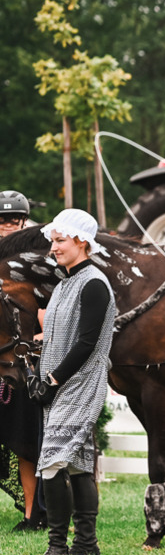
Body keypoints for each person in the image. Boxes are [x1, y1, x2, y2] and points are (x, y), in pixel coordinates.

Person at [32, 209, 116, 555]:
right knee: (78, 463)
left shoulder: (94, 283)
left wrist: (52, 379)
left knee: (52, 461)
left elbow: (86, 343)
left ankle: (57, 547)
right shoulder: (66, 282)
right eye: (53, 241)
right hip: (61, 384)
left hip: (79, 385)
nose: (54, 248)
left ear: (82, 242)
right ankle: (85, 544)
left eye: (60, 240)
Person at [0, 191, 46, 532]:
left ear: (23, 221)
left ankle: (33, 514)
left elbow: (45, 306)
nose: (5, 226)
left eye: (12, 220)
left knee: (26, 441)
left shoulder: (36, 257)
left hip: (25, 360)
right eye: (1, 220)